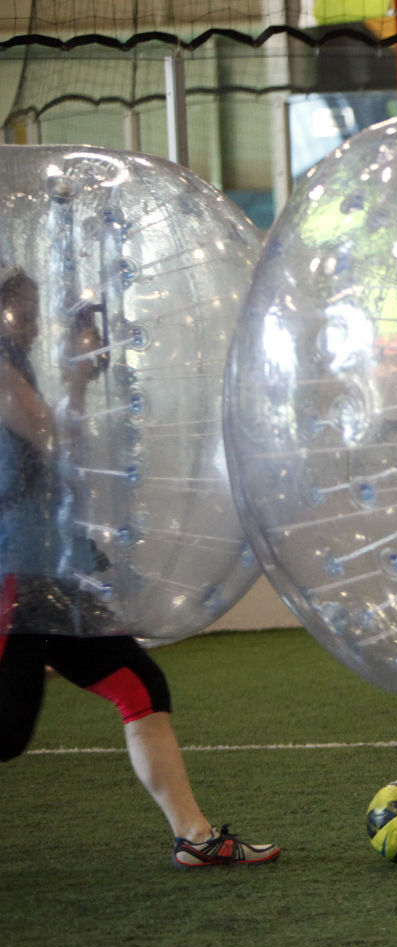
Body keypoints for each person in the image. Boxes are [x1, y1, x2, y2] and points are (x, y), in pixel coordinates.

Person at [0, 268, 279, 868]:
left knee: (139, 685)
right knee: (6, 731)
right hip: (14, 575)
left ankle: (196, 837)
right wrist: (77, 375)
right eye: (21, 310)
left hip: (50, 568)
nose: (29, 321)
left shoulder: (15, 363)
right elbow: (54, 439)